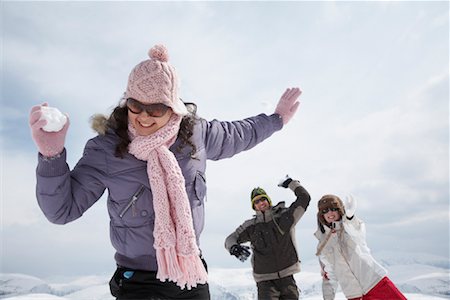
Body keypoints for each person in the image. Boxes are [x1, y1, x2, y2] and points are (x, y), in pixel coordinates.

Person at [28, 44, 302, 300]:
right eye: (136, 106)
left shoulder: (195, 135)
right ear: (127, 102)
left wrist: (276, 119)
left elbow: (239, 133)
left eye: (156, 108)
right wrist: (51, 156)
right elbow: (61, 210)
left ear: (172, 107)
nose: (144, 117)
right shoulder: (107, 149)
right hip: (138, 281)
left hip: (191, 272)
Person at [224, 175, 311, 300]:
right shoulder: (251, 226)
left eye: (263, 199)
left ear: (268, 200)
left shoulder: (284, 217)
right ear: (254, 206)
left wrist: (291, 184)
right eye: (256, 202)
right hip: (265, 281)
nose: (261, 203)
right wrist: (233, 248)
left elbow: (304, 198)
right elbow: (230, 238)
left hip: (287, 277)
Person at [314, 194, 407, 300]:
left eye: (333, 209)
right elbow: (329, 276)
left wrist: (350, 217)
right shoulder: (323, 246)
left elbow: (358, 232)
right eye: (325, 211)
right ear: (321, 215)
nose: (330, 213)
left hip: (376, 283)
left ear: (339, 210)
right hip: (354, 296)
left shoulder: (349, 228)